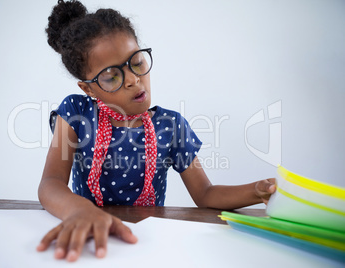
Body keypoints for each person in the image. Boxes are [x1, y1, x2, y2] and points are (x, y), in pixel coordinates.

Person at [36, 0, 276, 262]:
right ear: (89, 89)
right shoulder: (76, 112)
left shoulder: (170, 126)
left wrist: (256, 191)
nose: (132, 79)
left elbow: (205, 194)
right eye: (111, 76)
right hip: (90, 244)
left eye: (136, 62)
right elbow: (50, 183)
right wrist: (79, 211)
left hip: (149, 247)